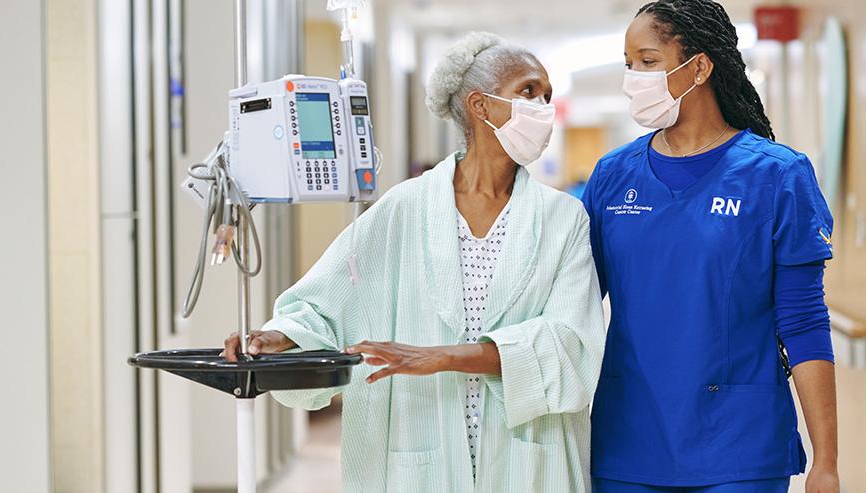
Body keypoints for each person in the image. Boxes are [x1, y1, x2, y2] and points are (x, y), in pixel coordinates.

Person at [223, 32, 605, 492]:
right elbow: (328, 302)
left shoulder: (564, 219)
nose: (543, 107)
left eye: (546, 95)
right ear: (480, 106)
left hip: (527, 456)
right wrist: (280, 336)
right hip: (418, 445)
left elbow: (572, 343)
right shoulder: (403, 209)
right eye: (528, 91)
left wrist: (444, 357)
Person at [582, 1, 840, 492]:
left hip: (739, 445)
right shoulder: (613, 177)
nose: (633, 78)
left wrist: (825, 462)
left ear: (699, 67)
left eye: (648, 61)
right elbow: (573, 301)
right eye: (628, 63)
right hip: (629, 439)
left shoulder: (777, 176)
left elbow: (804, 322)